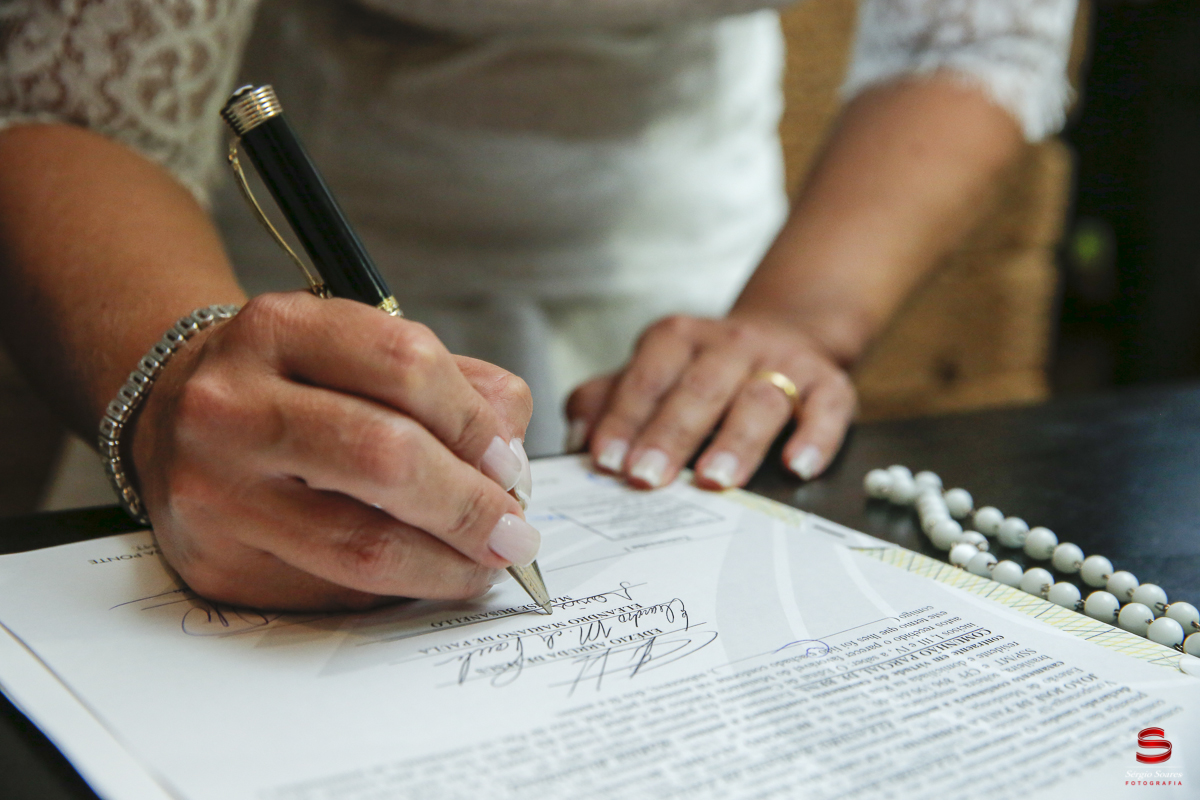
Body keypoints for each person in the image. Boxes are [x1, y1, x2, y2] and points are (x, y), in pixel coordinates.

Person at [0, 0, 1077, 609]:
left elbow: (978, 33)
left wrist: (796, 320)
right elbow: (67, 94)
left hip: (702, 281)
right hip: (265, 294)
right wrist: (176, 368)